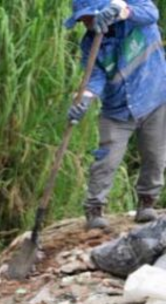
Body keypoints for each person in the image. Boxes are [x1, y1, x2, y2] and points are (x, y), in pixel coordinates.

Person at [64, 0, 166, 229]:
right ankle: (94, 208)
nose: (86, 23)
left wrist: (122, 11)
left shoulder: (135, 15)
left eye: (88, 18)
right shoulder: (91, 44)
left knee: (155, 156)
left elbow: (151, 13)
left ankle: (147, 202)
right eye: (82, 20)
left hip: (155, 98)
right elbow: (95, 77)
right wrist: (84, 100)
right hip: (117, 109)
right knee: (106, 160)